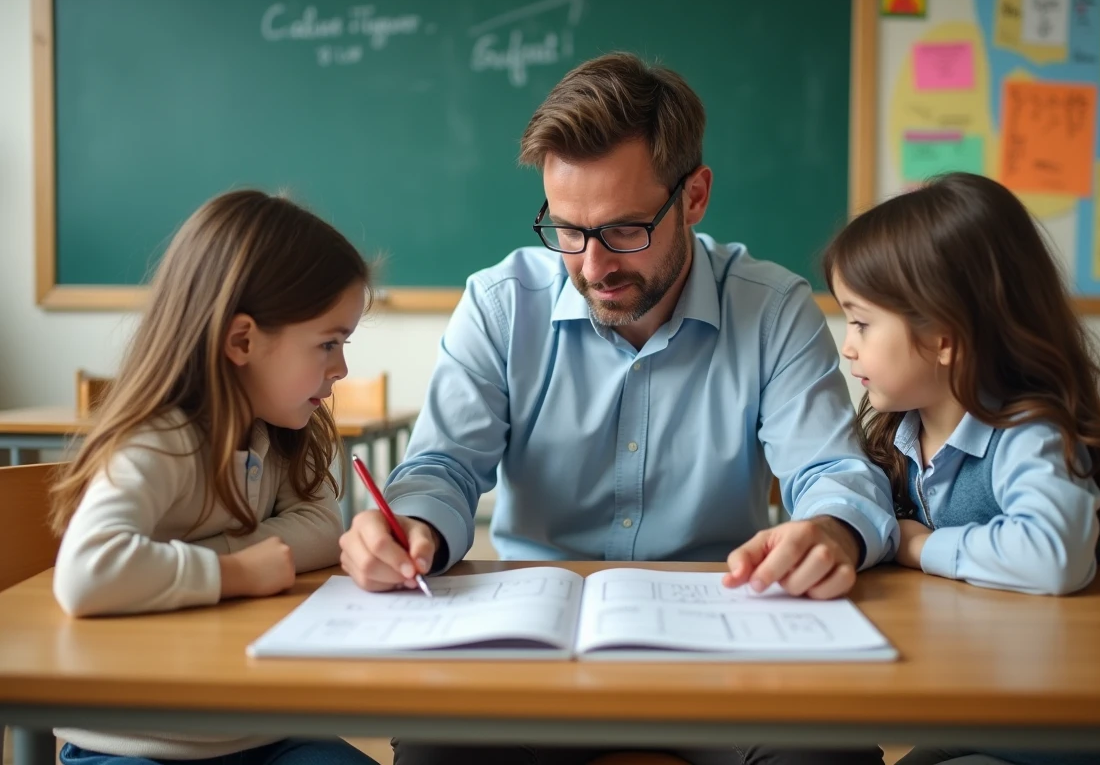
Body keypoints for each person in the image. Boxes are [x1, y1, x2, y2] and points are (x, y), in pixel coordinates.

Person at [339, 53, 896, 765]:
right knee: (435, 750)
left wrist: (833, 532)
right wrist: (411, 526)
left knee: (828, 755)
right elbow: (443, 466)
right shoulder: (501, 305)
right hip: (533, 650)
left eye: (625, 230)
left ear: (694, 197)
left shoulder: (772, 307)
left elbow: (834, 473)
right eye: (567, 230)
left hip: (723, 647)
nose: (593, 266)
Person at [823, 172, 1100, 765]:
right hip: (969, 705)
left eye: (862, 322)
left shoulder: (1028, 435)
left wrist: (921, 547)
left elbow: (1053, 554)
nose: (848, 345)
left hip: (1048, 730)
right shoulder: (900, 435)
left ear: (944, 335)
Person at [49, 189, 377, 765]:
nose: (341, 367)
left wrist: (210, 551)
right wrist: (234, 573)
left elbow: (323, 529)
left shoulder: (275, 434)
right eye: (329, 342)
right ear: (242, 341)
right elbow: (86, 573)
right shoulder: (159, 439)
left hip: (257, 732)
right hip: (132, 742)